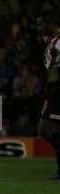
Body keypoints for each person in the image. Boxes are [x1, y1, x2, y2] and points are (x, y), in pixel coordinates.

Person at [37, 13, 60, 179]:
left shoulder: (58, 42)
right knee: (50, 128)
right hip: (53, 88)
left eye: (43, 24)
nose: (40, 28)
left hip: (58, 89)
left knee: (44, 128)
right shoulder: (51, 42)